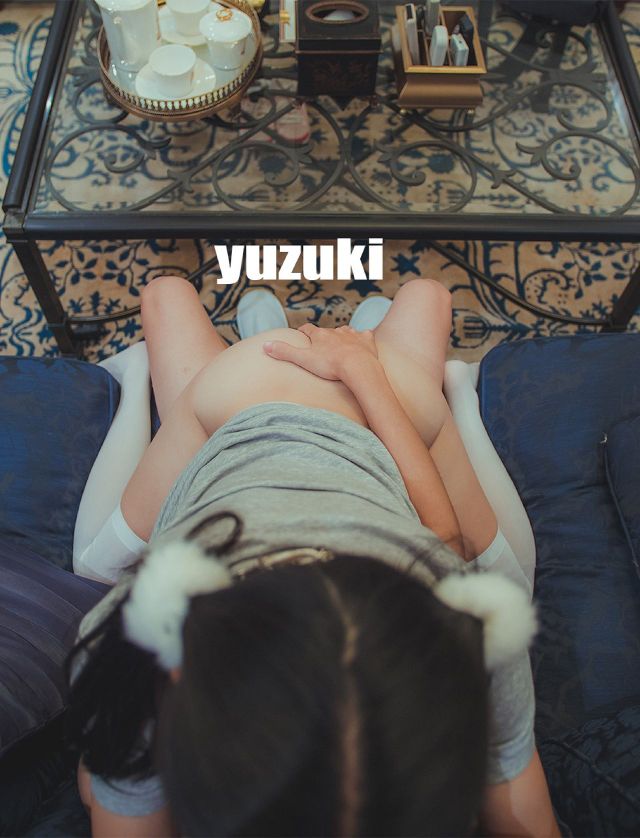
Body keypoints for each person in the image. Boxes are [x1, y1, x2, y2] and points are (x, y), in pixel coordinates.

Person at [68, 277, 559, 837]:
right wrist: (362, 372)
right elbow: (445, 541)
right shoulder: (138, 641)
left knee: (425, 297)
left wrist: (364, 374)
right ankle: (420, 373)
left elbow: (446, 542)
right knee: (424, 296)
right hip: (268, 392)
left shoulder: (462, 627)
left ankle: (384, 358)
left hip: (282, 391)